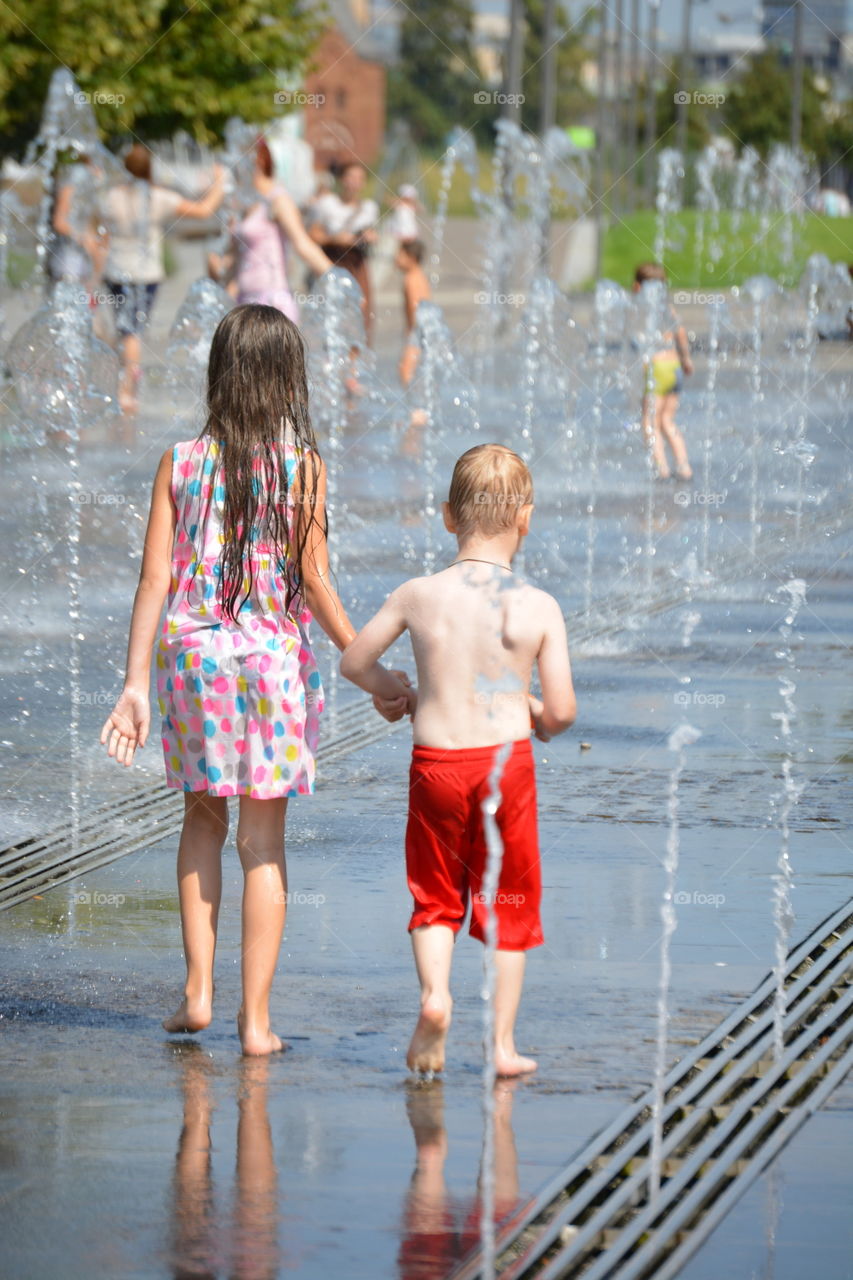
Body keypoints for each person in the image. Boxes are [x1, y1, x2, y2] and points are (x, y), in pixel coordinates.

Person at [100, 304, 410, 1056]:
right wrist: (369, 669)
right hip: (271, 666)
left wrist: (134, 684)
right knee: (263, 845)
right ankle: (258, 1021)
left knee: (202, 822)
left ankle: (198, 991)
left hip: (194, 662)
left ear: (219, 374)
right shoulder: (303, 469)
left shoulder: (180, 461)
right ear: (287, 383)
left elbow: (152, 582)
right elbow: (314, 584)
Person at [340, 444, 576, 1077]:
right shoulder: (537, 606)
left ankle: (435, 998)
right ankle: (500, 1046)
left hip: (436, 765)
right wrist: (536, 716)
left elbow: (354, 662)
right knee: (513, 905)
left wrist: (397, 692)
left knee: (436, 898)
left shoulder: (419, 594)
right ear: (526, 518)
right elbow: (562, 711)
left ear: (448, 516)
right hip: (506, 767)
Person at [99, 143, 226, 412]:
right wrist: (220, 182)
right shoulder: (158, 197)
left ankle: (123, 383)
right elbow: (204, 211)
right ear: (149, 169)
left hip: (116, 269)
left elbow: (96, 230)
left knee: (125, 328)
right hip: (145, 274)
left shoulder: (111, 197)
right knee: (133, 331)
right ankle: (127, 392)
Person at [220, 138, 333, 320]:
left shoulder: (277, 199)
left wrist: (337, 280)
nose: (234, 166)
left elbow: (302, 244)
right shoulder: (243, 204)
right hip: (243, 301)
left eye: (240, 159)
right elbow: (237, 260)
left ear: (259, 160)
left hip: (271, 303)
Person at [633, 262, 694, 481]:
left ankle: (662, 470)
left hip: (657, 369)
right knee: (667, 421)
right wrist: (686, 359)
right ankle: (684, 466)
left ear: (637, 286)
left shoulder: (640, 308)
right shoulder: (667, 308)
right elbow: (681, 333)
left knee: (650, 422)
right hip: (674, 366)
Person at [309, 160, 379, 340]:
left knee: (360, 319)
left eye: (359, 178)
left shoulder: (369, 208)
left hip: (357, 265)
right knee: (331, 318)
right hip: (333, 262)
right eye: (351, 177)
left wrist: (369, 237)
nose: (355, 182)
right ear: (342, 179)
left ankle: (356, 363)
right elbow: (312, 234)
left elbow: (372, 234)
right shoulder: (327, 204)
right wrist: (334, 239)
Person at [395, 239, 431, 388]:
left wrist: (411, 328)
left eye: (400, 255)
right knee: (413, 368)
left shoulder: (411, 278)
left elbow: (415, 305)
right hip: (422, 328)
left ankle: (413, 403)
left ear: (411, 258)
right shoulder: (418, 275)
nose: (395, 258)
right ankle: (417, 398)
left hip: (417, 329)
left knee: (405, 370)